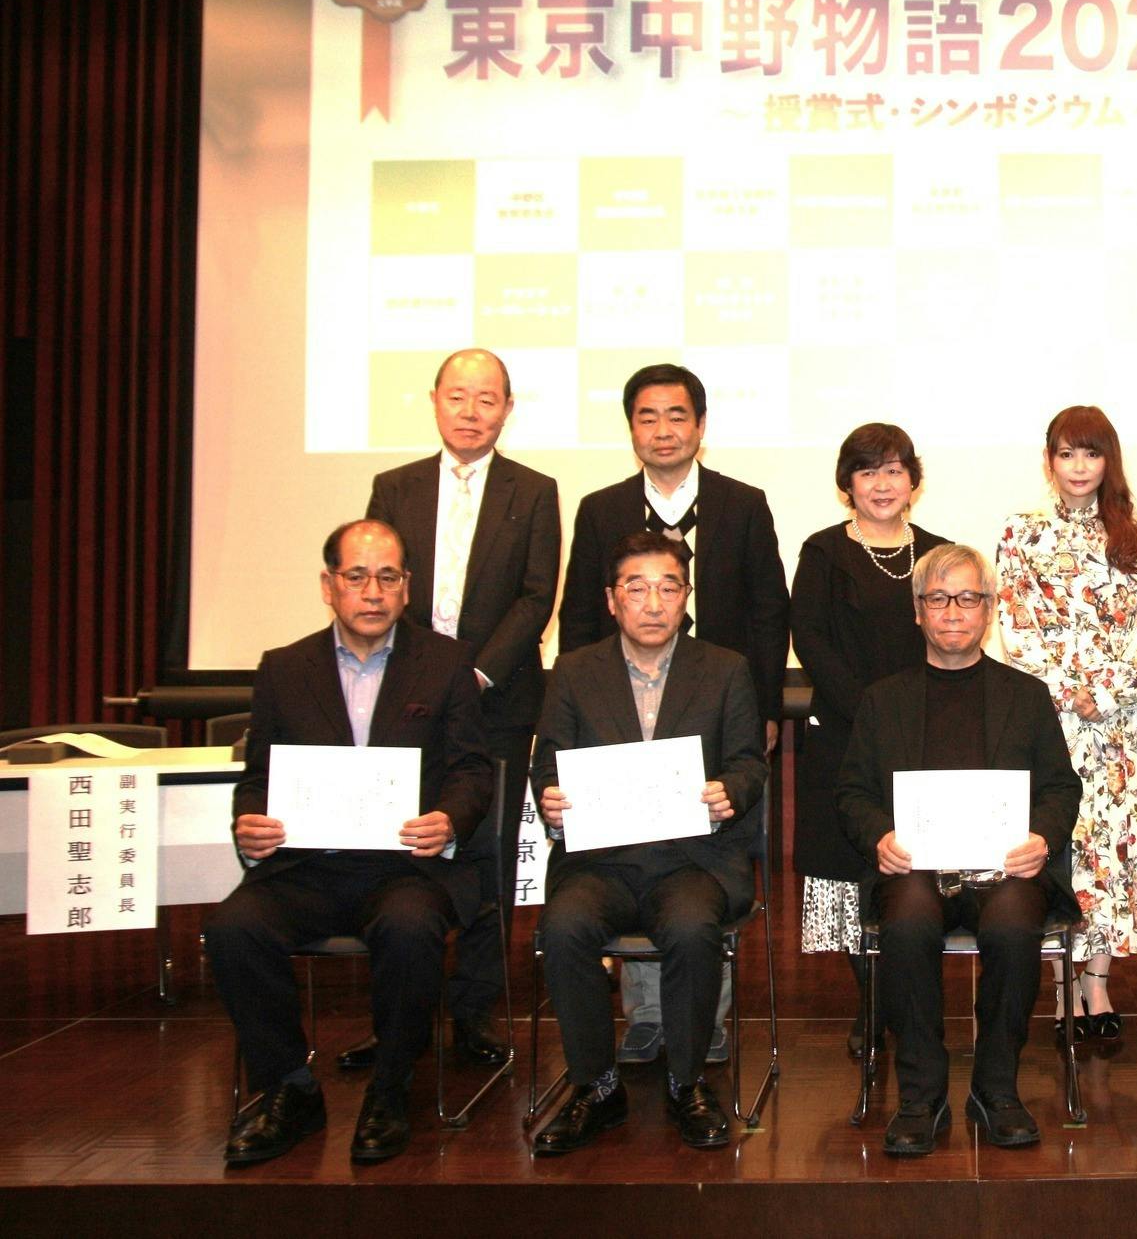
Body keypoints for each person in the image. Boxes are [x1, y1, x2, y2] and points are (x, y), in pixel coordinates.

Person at [207, 519, 493, 1166]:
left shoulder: (445, 663)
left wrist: (449, 819)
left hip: (406, 868)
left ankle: (390, 1089)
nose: (373, 591)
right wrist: (250, 821)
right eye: (357, 576)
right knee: (233, 929)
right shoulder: (284, 668)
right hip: (306, 868)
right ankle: (290, 1088)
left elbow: (472, 770)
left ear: (407, 587)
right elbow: (257, 778)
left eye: (388, 577)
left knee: (410, 927)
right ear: (328, 585)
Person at [559, 362, 789, 1065]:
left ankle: (702, 1020)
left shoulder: (742, 504)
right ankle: (647, 1016)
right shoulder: (601, 508)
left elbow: (768, 611)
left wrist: (764, 709)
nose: (663, 429)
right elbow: (578, 619)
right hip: (621, 713)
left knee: (698, 859)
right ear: (631, 427)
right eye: (647, 416)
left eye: (677, 415)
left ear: (700, 425)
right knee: (630, 844)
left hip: (719, 712)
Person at [343, 347, 558, 1072]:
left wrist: (471, 675)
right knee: (392, 855)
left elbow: (536, 597)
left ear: (508, 409)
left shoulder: (535, 490)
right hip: (402, 704)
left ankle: (473, 1013)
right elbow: (379, 591)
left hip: (498, 702)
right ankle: (396, 1019)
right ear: (434, 401)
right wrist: (427, 677)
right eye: (458, 397)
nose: (471, 412)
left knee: (487, 860)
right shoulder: (394, 487)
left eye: (487, 399)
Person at [837, 544, 1082, 1157]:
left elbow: (1061, 787)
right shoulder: (882, 699)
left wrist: (1042, 838)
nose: (954, 611)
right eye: (939, 599)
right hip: (915, 869)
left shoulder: (1026, 695)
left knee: (1013, 926)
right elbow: (853, 793)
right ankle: (922, 1095)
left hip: (1005, 868)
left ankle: (996, 1088)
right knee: (907, 923)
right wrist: (879, 837)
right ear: (917, 611)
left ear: (990, 609)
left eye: (968, 598)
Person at [528, 532, 766, 1154]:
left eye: (668, 588)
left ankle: (687, 1082)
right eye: (637, 589)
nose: (654, 603)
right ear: (612, 600)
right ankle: (596, 1086)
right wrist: (551, 796)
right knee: (564, 926)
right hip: (600, 862)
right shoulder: (575, 671)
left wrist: (730, 791)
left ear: (686, 597)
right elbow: (548, 763)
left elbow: (749, 762)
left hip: (692, 861)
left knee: (690, 926)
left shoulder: (725, 669)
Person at [994, 405, 1137, 1041]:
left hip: (1122, 729)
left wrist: (1107, 693)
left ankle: (1098, 983)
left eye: (1091, 453)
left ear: (1108, 460)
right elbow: (1015, 630)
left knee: (1114, 858)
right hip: (1054, 724)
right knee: (1063, 851)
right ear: (1049, 461)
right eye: (1067, 454)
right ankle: (1063, 988)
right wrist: (1072, 692)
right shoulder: (1022, 532)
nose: (1079, 466)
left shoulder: (1136, 532)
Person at [789, 423, 948, 1055]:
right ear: (847, 484)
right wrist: (873, 716)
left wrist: (908, 720)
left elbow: (952, 637)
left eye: (894, 470)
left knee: (916, 876)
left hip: (925, 742)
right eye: (867, 471)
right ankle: (873, 1001)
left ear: (913, 480)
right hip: (845, 738)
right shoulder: (823, 552)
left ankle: (911, 998)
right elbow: (811, 639)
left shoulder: (938, 553)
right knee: (850, 874)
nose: (882, 484)